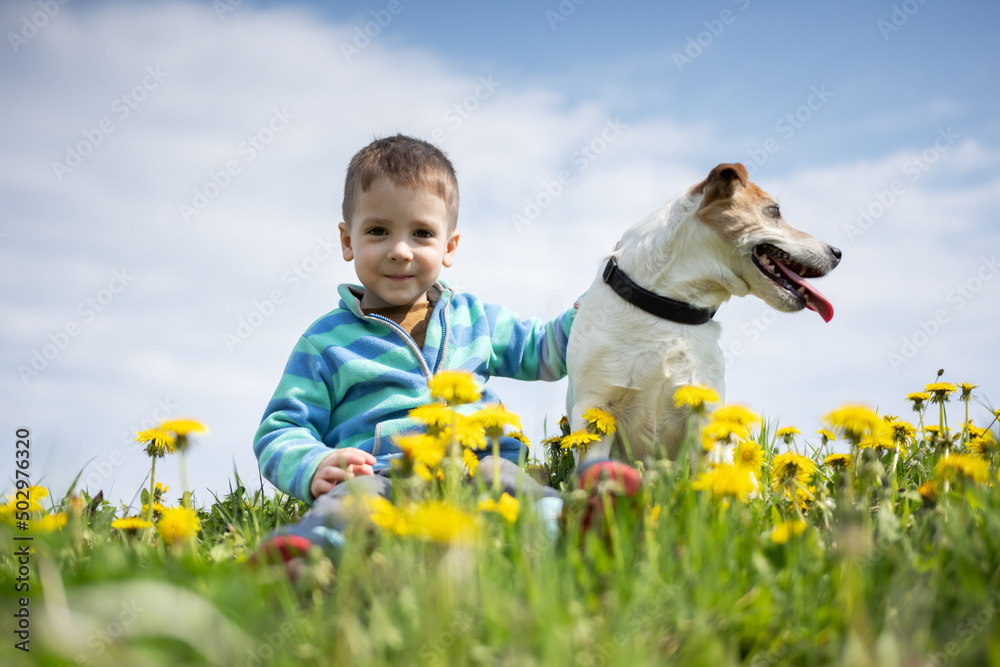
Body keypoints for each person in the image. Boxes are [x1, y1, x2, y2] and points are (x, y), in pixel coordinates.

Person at [251, 134, 634, 572]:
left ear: (449, 247)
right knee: (351, 506)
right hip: (380, 474)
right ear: (347, 241)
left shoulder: (477, 320)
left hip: (478, 466)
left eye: (422, 233)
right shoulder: (326, 341)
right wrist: (315, 463)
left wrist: (592, 312)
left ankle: (580, 528)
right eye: (378, 231)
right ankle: (303, 560)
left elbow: (545, 352)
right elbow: (280, 427)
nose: (400, 250)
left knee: (510, 485)